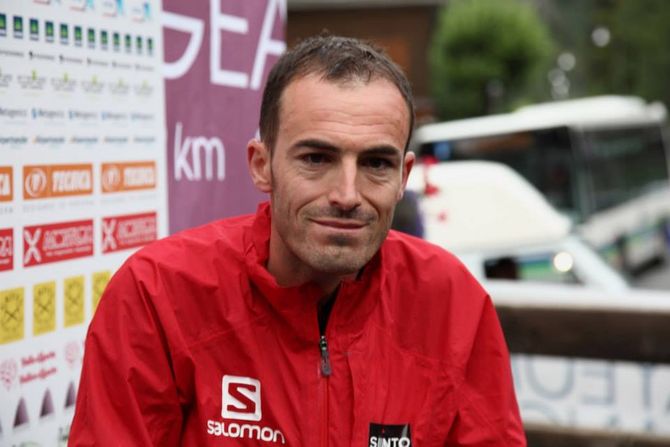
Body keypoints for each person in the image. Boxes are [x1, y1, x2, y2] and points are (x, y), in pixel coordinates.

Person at [70, 35, 525, 446]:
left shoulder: (452, 302)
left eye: (376, 164)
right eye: (316, 158)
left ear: (403, 176)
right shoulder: (157, 294)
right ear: (261, 165)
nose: (347, 195)